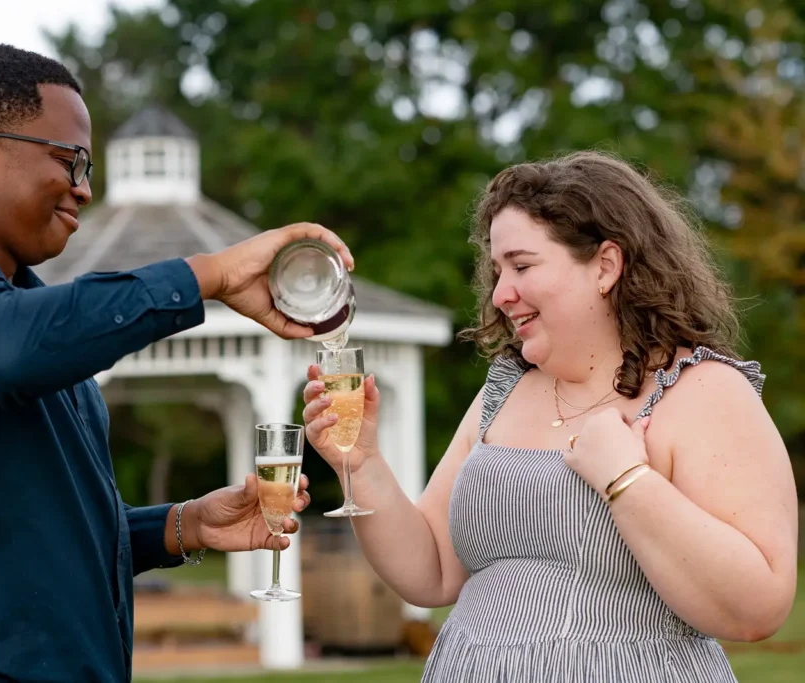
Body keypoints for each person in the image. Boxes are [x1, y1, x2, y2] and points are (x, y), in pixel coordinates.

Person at [0, 43, 350, 682]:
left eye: (89, 165)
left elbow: (32, 536)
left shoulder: (36, 317)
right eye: (68, 160)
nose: (85, 188)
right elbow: (0, 345)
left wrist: (185, 526)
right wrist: (205, 275)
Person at [303, 151, 797, 681]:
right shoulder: (503, 389)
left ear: (606, 265)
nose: (500, 293)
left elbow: (759, 608)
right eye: (497, 271)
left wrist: (627, 480)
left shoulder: (704, 390)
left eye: (522, 265)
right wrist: (362, 464)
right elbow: (431, 573)